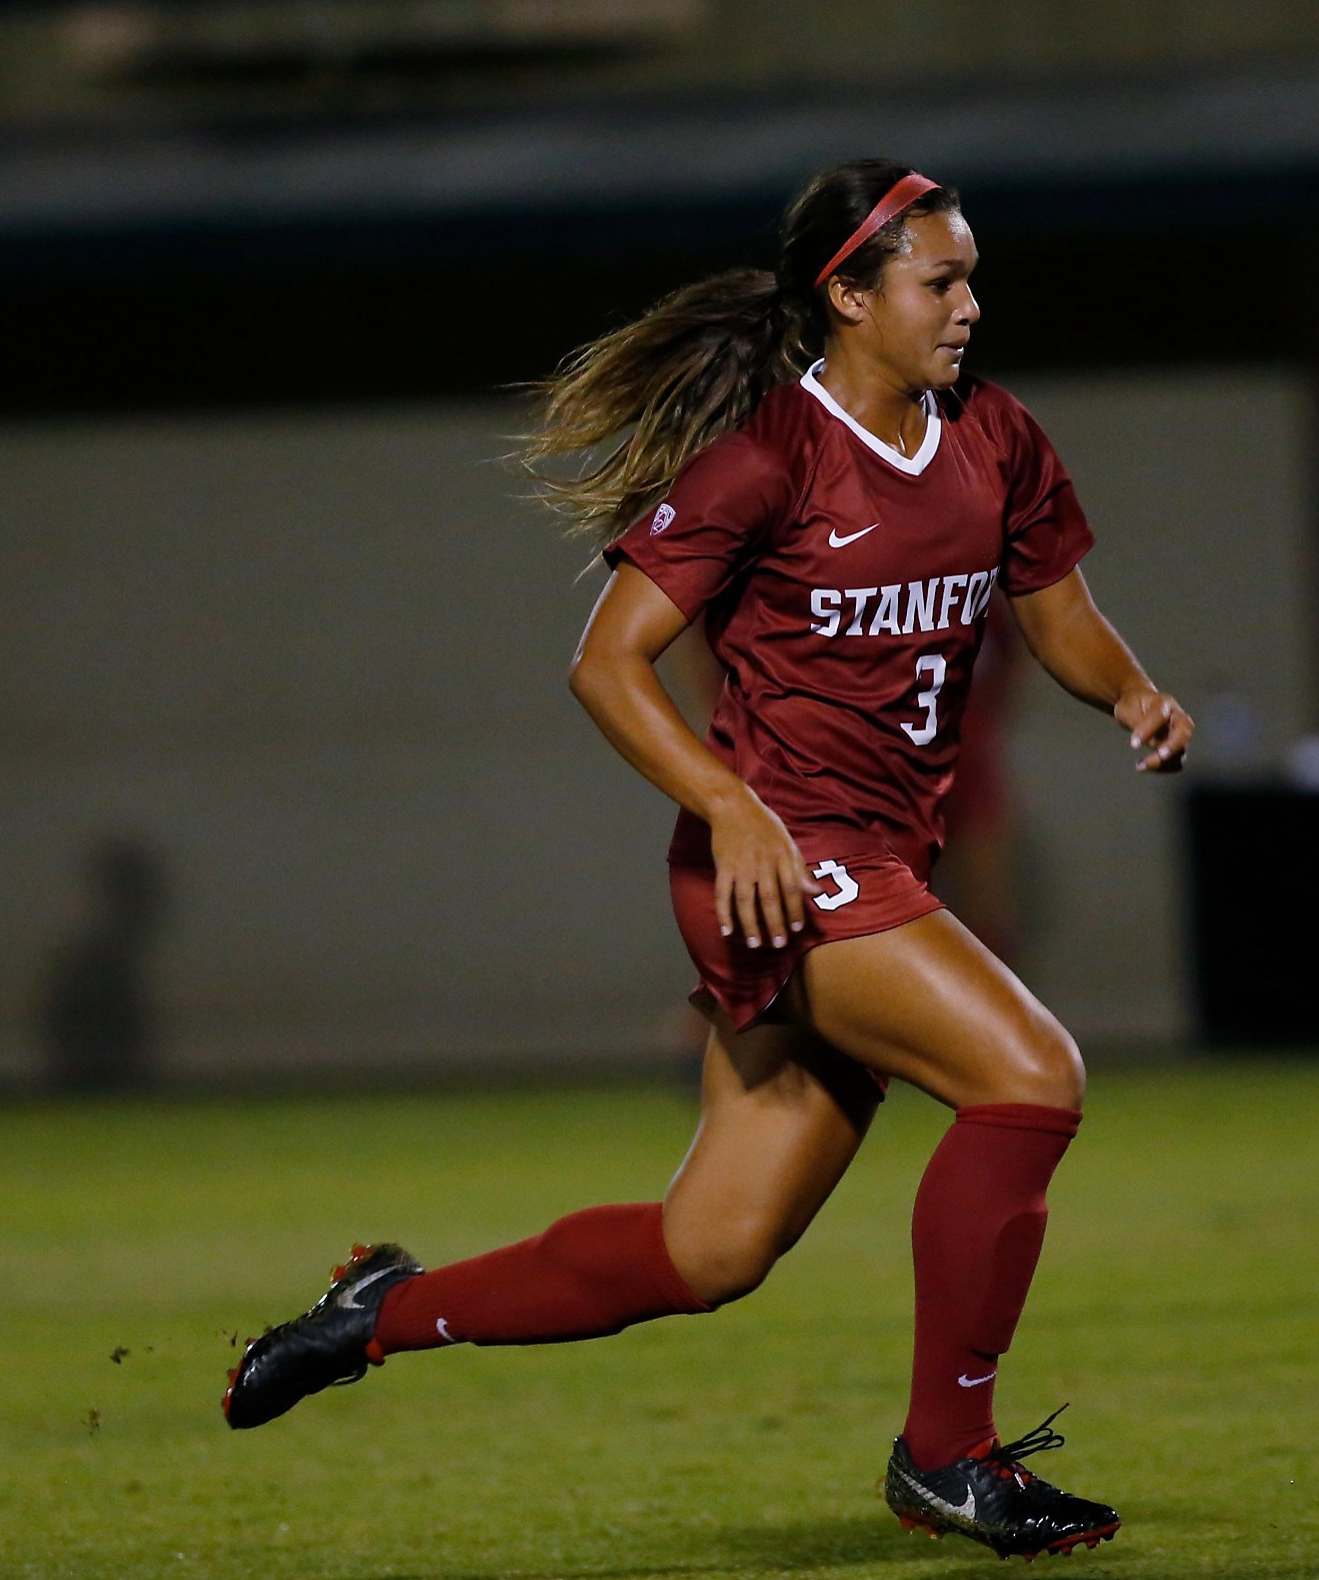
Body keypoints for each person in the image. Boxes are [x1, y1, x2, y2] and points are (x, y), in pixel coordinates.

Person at [221, 159, 1193, 1559]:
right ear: (847, 295)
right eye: (942, 279)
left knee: (710, 1253)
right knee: (1031, 1079)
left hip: (873, 866)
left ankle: (383, 1314)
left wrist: (1133, 695)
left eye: (973, 274)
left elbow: (1058, 612)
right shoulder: (768, 458)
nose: (970, 304)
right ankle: (950, 1455)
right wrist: (734, 806)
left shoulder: (997, 436)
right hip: (779, 869)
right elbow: (608, 668)